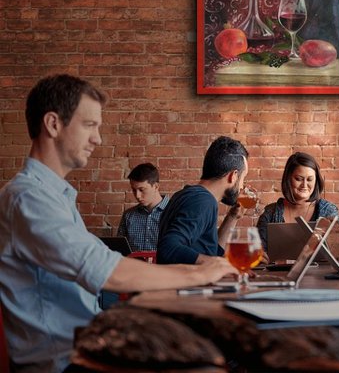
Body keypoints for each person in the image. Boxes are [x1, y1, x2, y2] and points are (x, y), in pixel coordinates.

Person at [0, 74, 235, 373]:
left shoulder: (50, 194)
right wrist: (202, 274)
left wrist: (201, 271)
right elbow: (109, 271)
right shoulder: (28, 198)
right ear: (53, 124)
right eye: (90, 125)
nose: (98, 138)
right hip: (63, 363)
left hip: (84, 346)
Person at [157, 136, 248, 265]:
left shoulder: (188, 195)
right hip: (186, 285)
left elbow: (211, 254)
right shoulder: (203, 201)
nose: (242, 186)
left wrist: (233, 216)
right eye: (243, 178)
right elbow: (168, 248)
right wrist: (220, 264)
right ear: (233, 176)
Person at [256, 151, 339, 253]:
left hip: (321, 269)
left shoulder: (328, 212)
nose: (304, 185)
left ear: (316, 181)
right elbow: (259, 251)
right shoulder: (270, 213)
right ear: (288, 179)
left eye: (309, 180)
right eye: (299, 179)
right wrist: (259, 255)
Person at [117, 162, 169, 252]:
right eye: (134, 190)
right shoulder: (128, 216)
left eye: (142, 190)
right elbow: (120, 250)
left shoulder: (174, 213)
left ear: (156, 186)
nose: (137, 195)